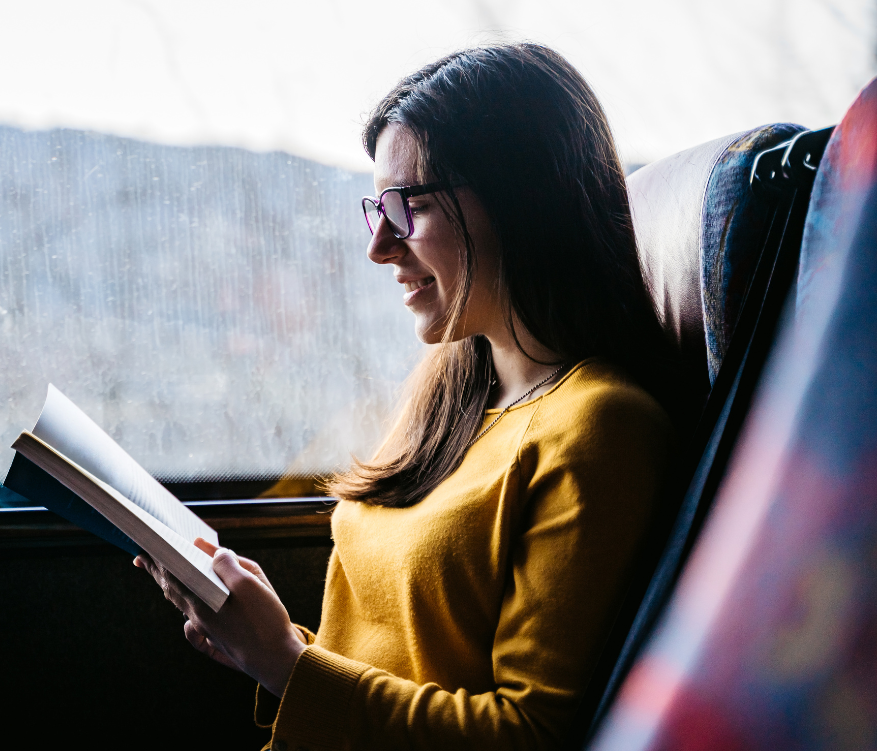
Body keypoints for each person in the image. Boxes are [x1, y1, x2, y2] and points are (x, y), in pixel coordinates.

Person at [135, 43, 676, 750]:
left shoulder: (601, 427)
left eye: (408, 206)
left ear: (518, 200)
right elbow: (402, 661)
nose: (380, 246)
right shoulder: (452, 398)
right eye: (375, 209)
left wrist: (287, 664)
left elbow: (530, 734)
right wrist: (263, 646)